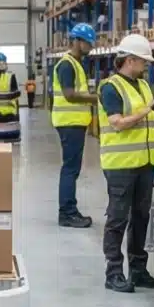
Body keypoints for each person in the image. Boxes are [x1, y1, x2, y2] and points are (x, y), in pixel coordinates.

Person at [96, 32, 154, 293]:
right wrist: (146, 112)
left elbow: (142, 119)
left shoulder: (143, 85)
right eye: (143, 61)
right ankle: (113, 271)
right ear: (129, 60)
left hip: (145, 162)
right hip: (120, 164)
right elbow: (117, 123)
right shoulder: (110, 87)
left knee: (141, 217)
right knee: (118, 218)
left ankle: (138, 270)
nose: (146, 65)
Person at [48, 23, 100, 228]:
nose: (90, 47)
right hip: (69, 123)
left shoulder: (77, 64)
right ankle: (67, 213)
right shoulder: (66, 65)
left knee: (72, 168)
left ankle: (69, 210)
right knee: (70, 169)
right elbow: (69, 95)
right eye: (88, 42)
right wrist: (95, 99)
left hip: (75, 123)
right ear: (77, 41)